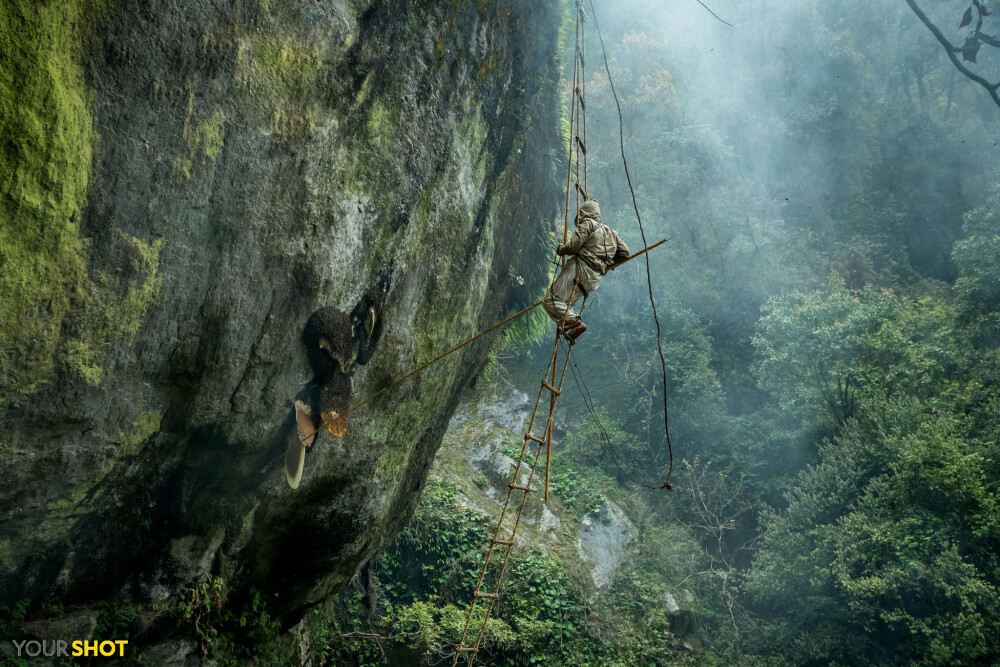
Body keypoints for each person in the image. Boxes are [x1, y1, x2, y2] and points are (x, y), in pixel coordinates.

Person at [542, 199, 629, 342]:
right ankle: (570, 325)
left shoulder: (588, 224)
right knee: (565, 303)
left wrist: (561, 250)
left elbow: (574, 247)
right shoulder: (612, 233)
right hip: (594, 279)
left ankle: (575, 321)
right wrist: (607, 265)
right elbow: (625, 253)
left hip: (579, 269)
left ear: (584, 213)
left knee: (550, 300)